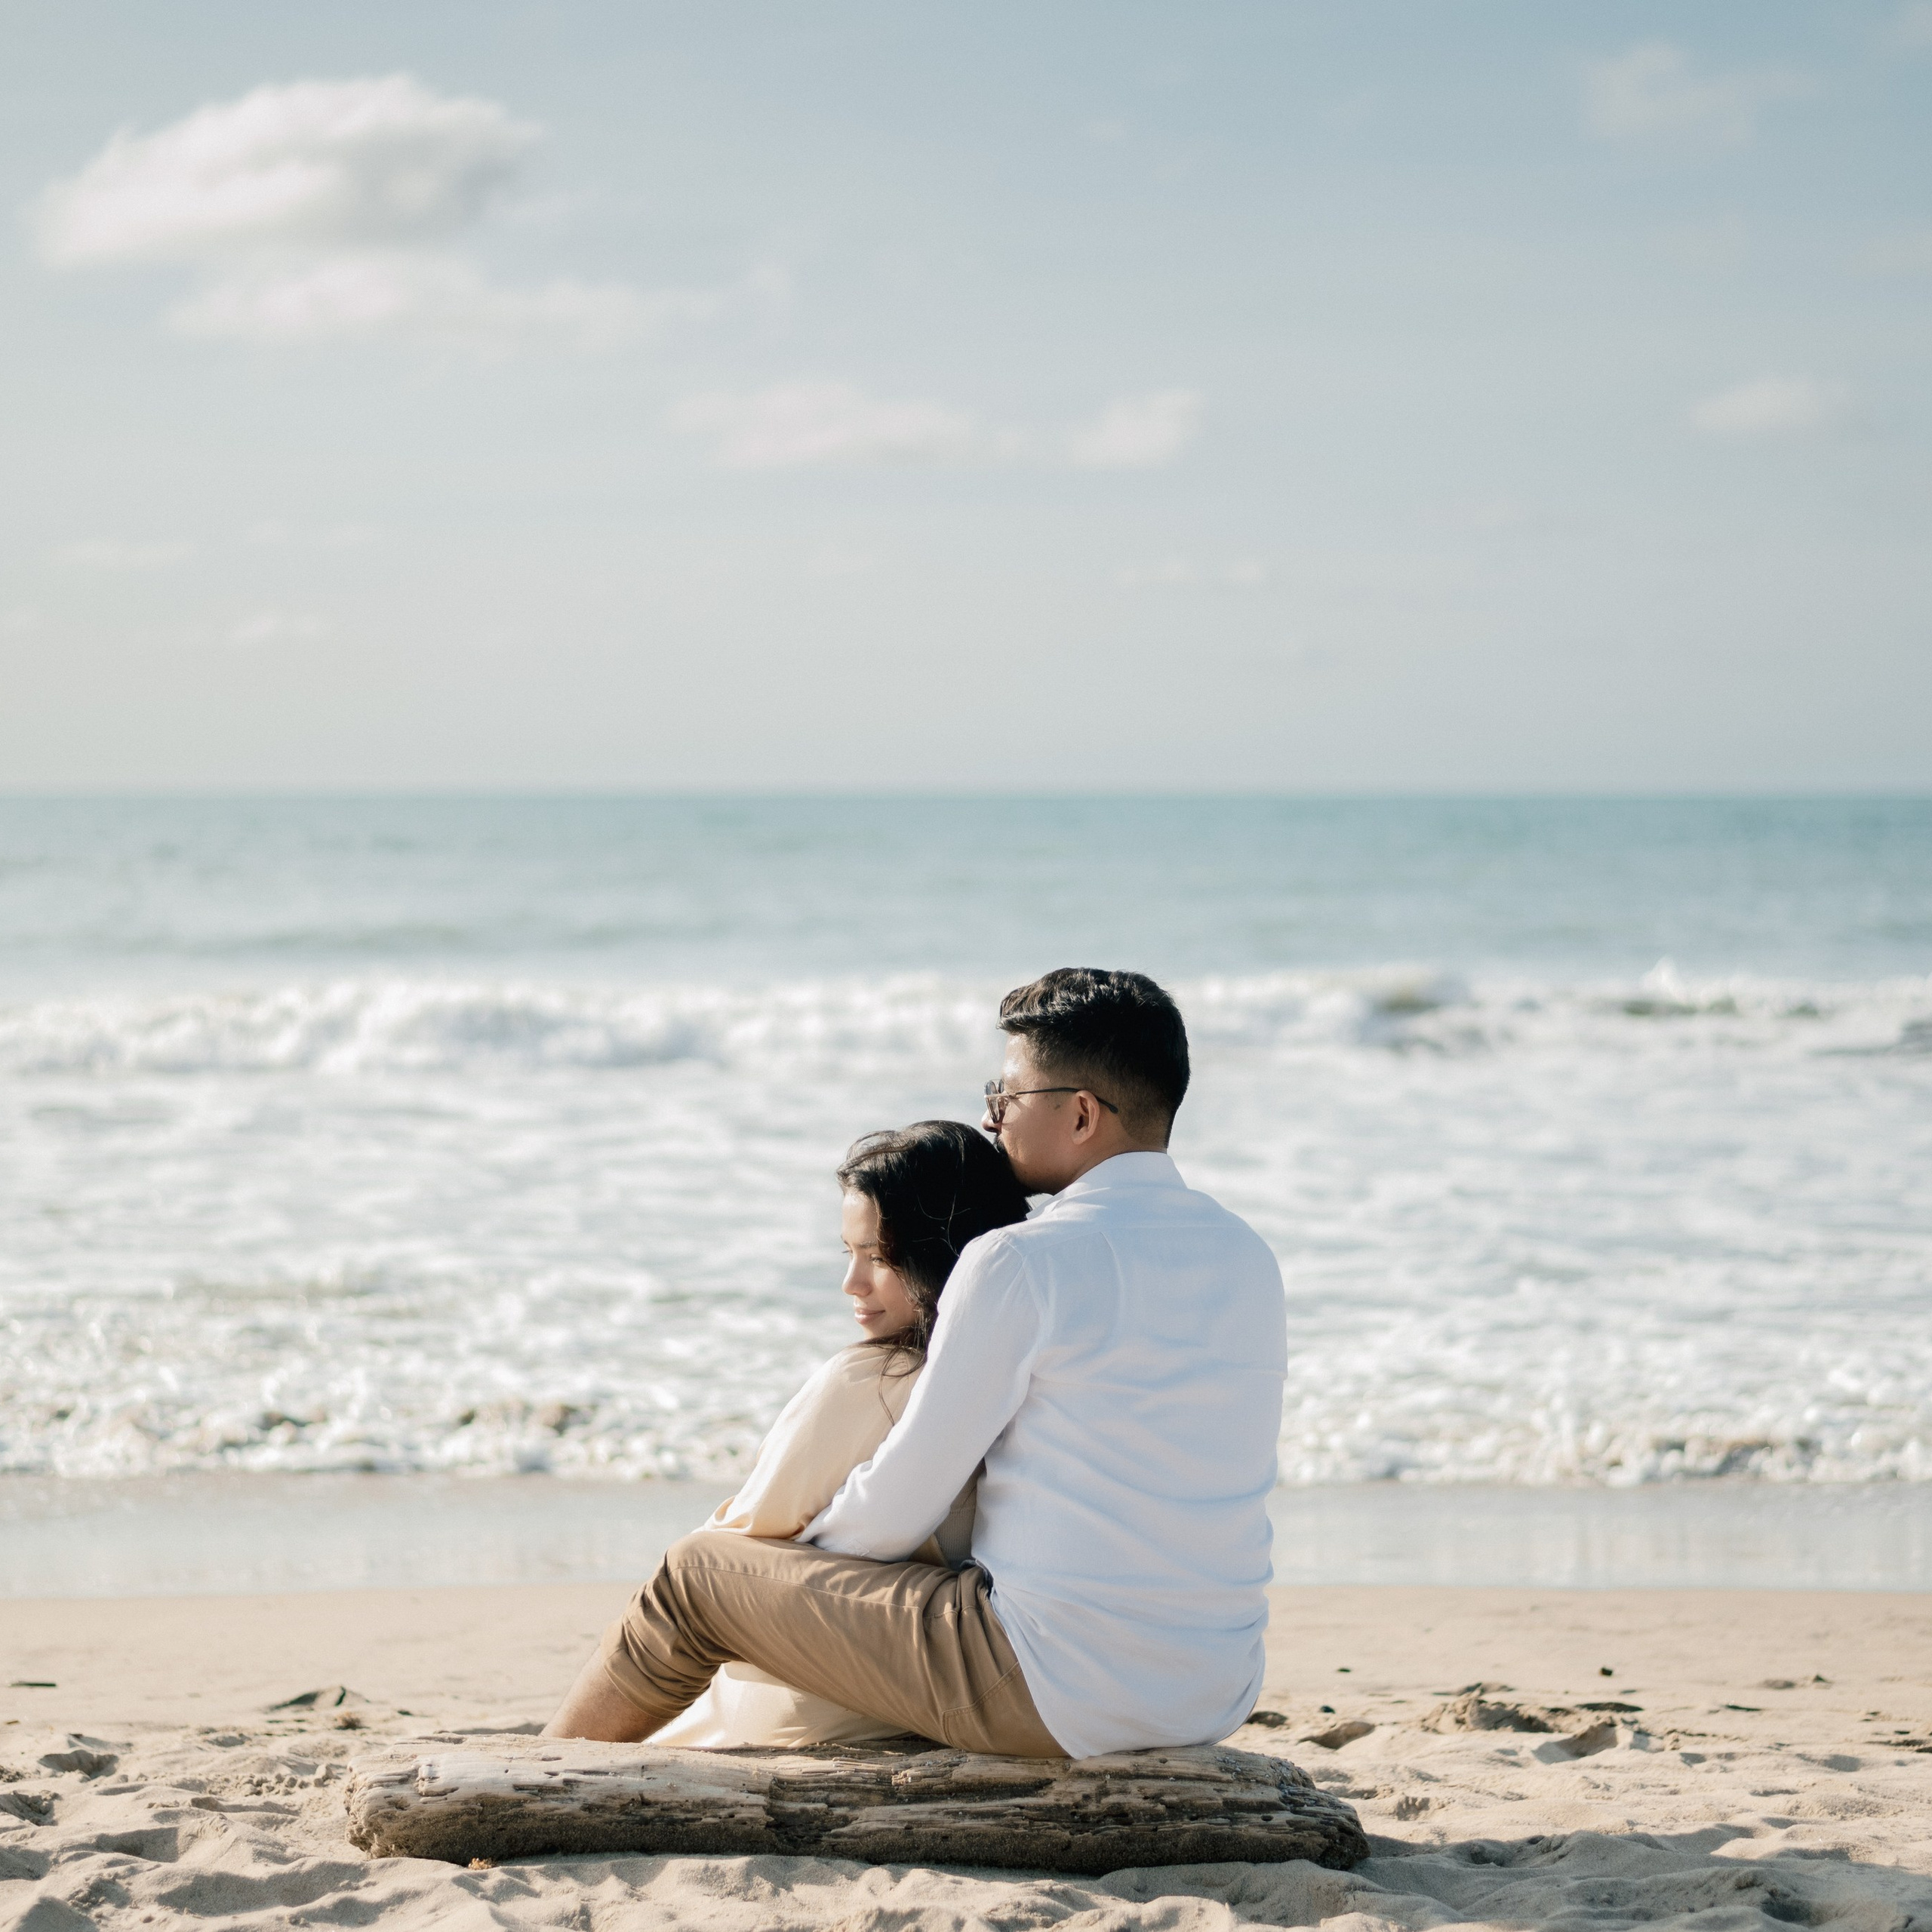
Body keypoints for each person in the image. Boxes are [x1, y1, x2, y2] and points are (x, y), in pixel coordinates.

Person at [544, 967, 1288, 1760]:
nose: (990, 1116)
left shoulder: (1023, 1260)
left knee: (697, 1578)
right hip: (1214, 1687)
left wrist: (782, 1575)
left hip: (1055, 1689)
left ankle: (541, 1767)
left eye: (1007, 1096)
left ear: (1080, 1113)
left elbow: (895, 1506)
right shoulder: (1248, 1255)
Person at [651, 1119, 1029, 1748]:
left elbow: (740, 1546)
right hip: (947, 1687)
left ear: (949, 1252)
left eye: (879, 1258)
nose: (851, 1284)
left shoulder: (873, 1381)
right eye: (848, 1253)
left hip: (819, 1703)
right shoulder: (1034, 1374)